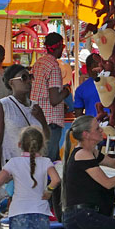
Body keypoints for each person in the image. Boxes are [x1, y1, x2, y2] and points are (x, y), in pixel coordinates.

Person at [0, 64, 50, 229]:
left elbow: (46, 137)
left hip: (35, 172)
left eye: (30, 77)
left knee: (30, 215)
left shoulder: (35, 107)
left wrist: (41, 119)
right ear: (10, 82)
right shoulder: (3, 106)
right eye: (23, 77)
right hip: (13, 169)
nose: (28, 81)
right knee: (16, 214)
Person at [30, 33, 71, 162]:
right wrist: (66, 91)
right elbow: (54, 99)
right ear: (59, 47)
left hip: (36, 120)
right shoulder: (54, 66)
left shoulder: (38, 64)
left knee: (38, 162)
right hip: (50, 124)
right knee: (49, 162)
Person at [73, 53, 103, 117]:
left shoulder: (81, 89)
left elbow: (78, 115)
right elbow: (78, 114)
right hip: (93, 125)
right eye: (95, 66)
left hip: (109, 122)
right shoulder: (80, 89)